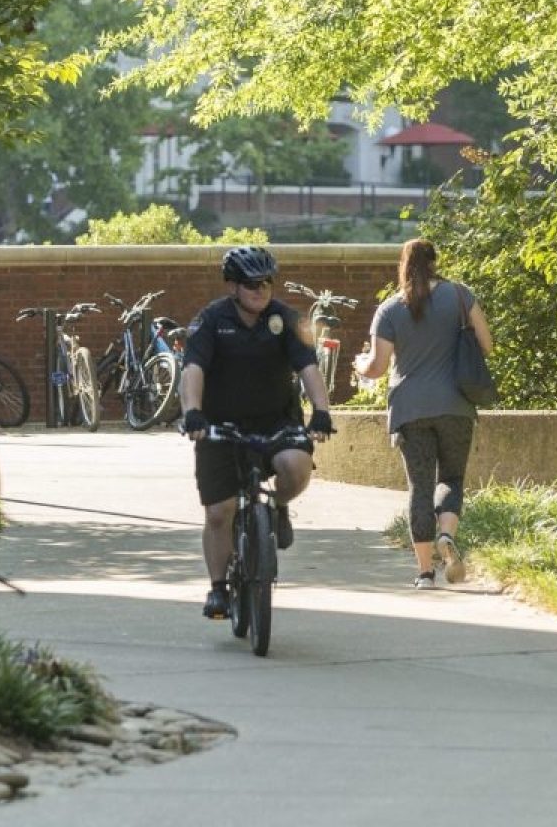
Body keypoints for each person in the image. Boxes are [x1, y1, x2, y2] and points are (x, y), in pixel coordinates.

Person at [179, 245, 334, 620]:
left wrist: (322, 412)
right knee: (220, 512)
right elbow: (192, 370)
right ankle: (218, 589)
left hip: (275, 421)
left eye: (266, 282)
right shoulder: (212, 320)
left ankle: (278, 507)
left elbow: (308, 367)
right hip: (220, 425)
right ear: (232, 286)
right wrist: (193, 413)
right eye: (251, 284)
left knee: (296, 466)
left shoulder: (286, 319)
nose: (260, 290)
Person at [354, 237, 491, 590]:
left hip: (410, 409)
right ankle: (447, 534)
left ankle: (426, 573)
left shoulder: (389, 309)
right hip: (456, 406)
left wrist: (358, 366)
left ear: (404, 265)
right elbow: (487, 345)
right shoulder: (460, 296)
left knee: (420, 487)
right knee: (451, 480)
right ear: (435, 262)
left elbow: (378, 366)